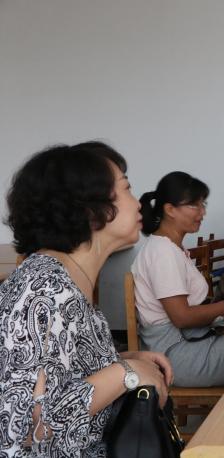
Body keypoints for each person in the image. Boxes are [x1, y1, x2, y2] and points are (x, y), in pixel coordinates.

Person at [0, 142, 173, 456]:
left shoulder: (67, 279)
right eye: (127, 188)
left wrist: (124, 360)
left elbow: (60, 374)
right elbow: (23, 427)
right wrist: (125, 373)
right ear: (90, 210)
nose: (138, 204)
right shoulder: (43, 289)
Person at [133, 172, 224, 387]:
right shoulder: (163, 252)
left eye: (202, 204)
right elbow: (182, 317)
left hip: (187, 339)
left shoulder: (171, 248)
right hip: (175, 354)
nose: (202, 212)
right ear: (170, 209)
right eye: (194, 205)